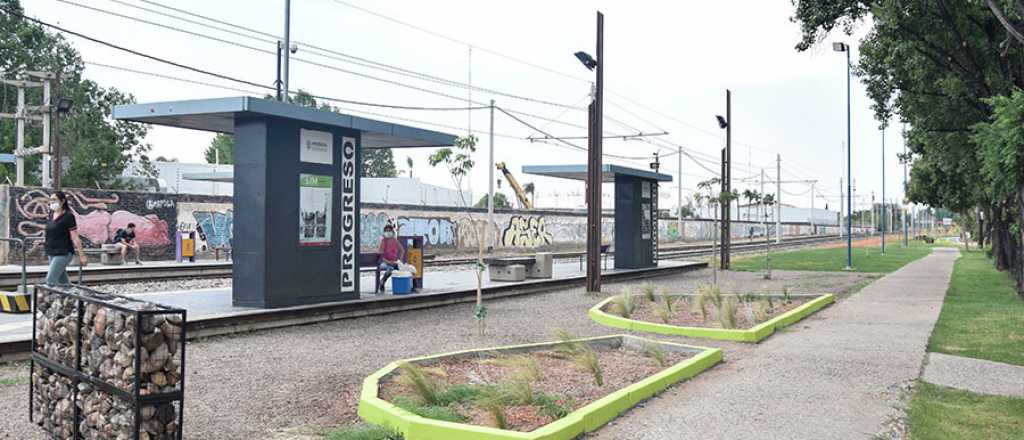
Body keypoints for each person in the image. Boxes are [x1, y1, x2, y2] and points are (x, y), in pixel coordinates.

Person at [44, 191, 87, 286]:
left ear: (62, 201)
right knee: (63, 281)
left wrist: (82, 255)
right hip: (52, 252)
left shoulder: (68, 216)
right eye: (50, 200)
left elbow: (75, 236)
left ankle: (45, 299)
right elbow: (52, 232)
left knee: (50, 280)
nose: (51, 202)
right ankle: (71, 296)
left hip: (64, 252)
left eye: (54, 200)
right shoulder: (51, 215)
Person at [376, 223, 405, 293]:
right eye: (386, 231)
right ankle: (382, 282)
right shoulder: (383, 241)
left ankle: (401, 286)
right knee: (390, 268)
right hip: (384, 262)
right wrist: (388, 262)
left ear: (392, 232)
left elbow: (402, 250)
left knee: (402, 268)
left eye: (389, 230)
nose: (388, 232)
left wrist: (399, 260)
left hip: (393, 262)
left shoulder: (395, 241)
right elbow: (380, 255)